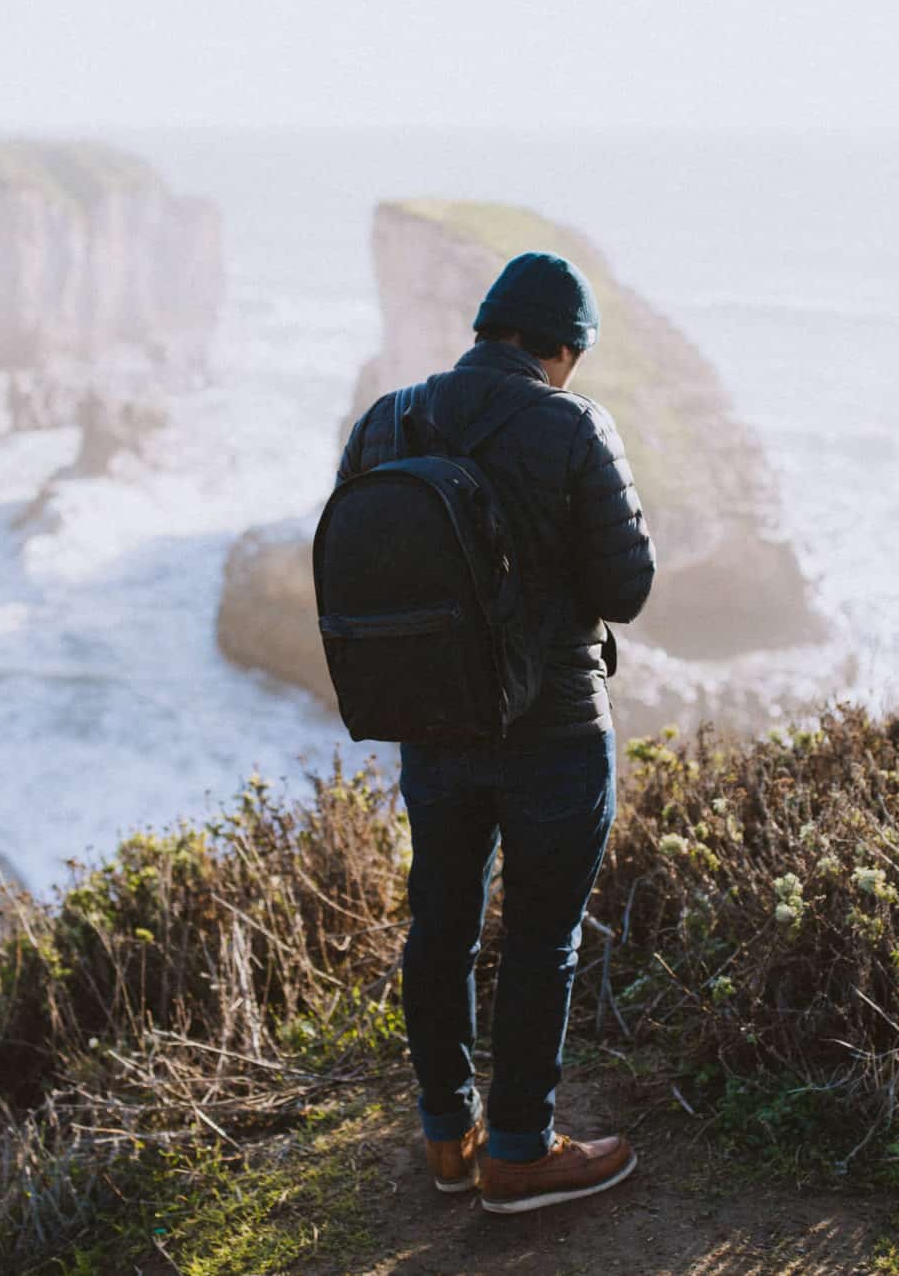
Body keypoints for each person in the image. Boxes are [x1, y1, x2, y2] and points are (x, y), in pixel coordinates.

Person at [335, 251, 656, 1213]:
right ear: (565, 347)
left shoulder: (388, 420)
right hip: (553, 725)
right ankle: (519, 1152)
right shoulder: (571, 423)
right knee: (541, 938)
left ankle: (448, 1134)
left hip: (432, 723)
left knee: (440, 924)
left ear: (483, 329)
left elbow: (362, 564)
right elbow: (627, 589)